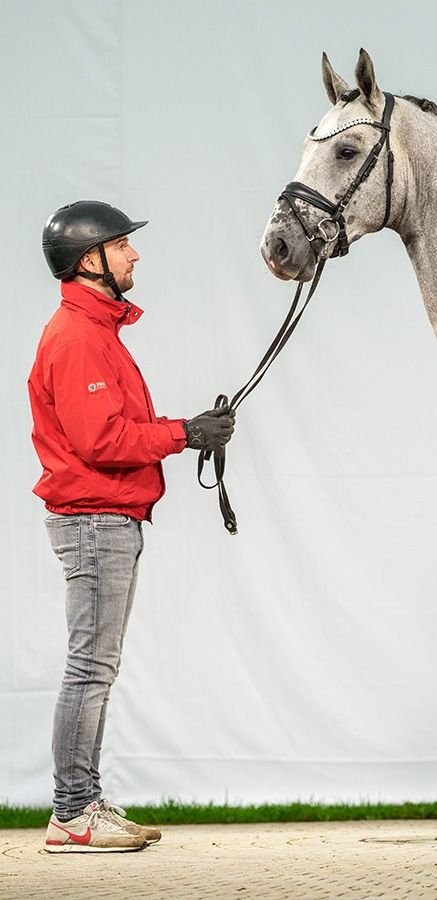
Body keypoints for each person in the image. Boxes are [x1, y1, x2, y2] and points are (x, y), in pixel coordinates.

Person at [29, 200, 235, 852]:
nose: (134, 254)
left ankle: (81, 802)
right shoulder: (77, 338)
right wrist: (183, 434)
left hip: (105, 519)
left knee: (96, 666)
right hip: (95, 521)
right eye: (121, 245)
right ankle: (72, 813)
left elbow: (111, 432)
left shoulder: (95, 333)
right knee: (90, 667)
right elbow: (101, 440)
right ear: (89, 260)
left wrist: (187, 432)